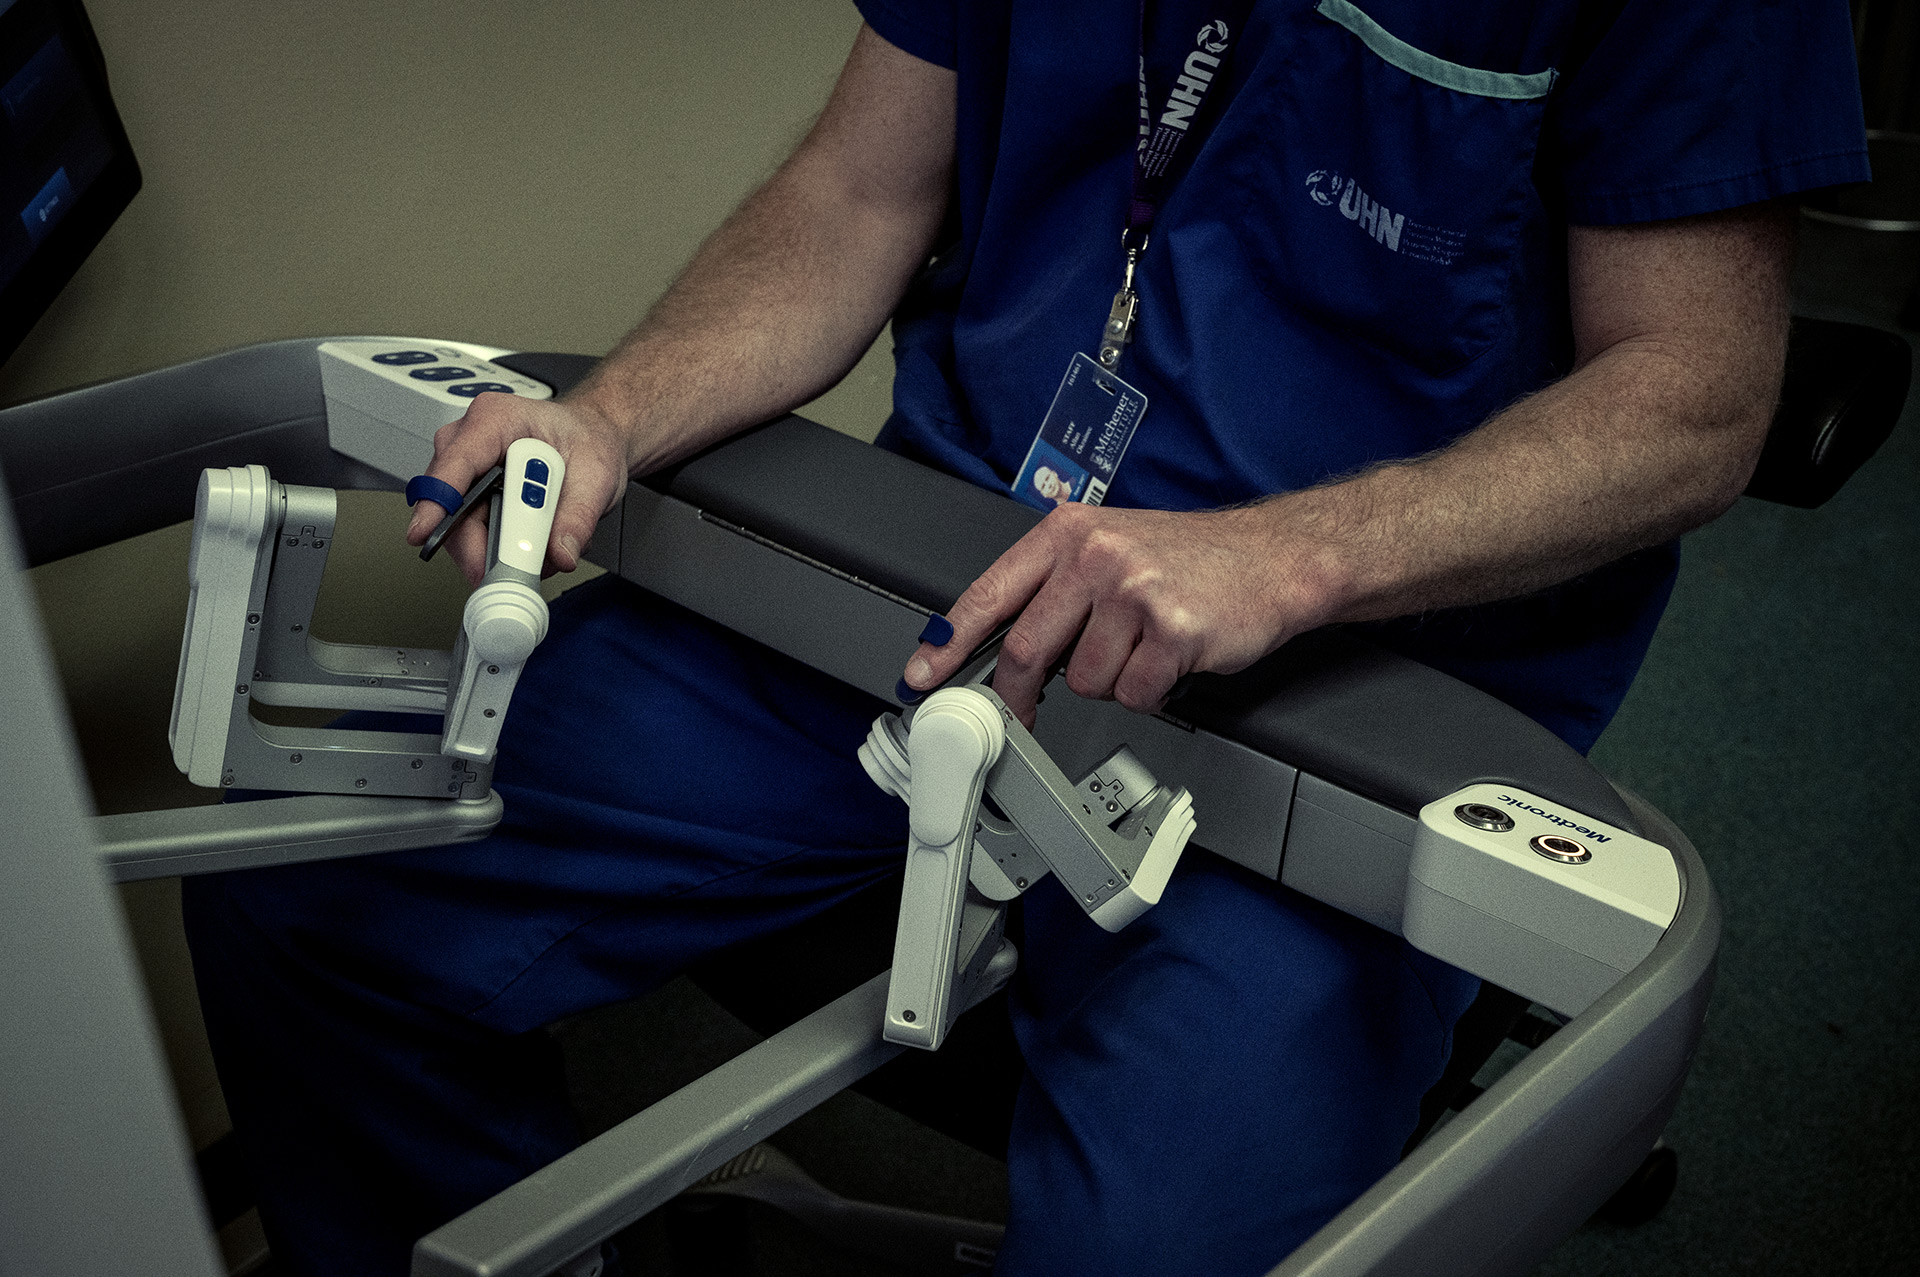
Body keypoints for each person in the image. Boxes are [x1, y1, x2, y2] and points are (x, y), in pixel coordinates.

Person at [183, 3, 1869, 1275]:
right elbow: (857, 193)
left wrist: (1290, 557)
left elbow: (1695, 405)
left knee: (1163, 1247)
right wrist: (617, 408)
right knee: (308, 891)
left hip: (1340, 711)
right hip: (931, 584)